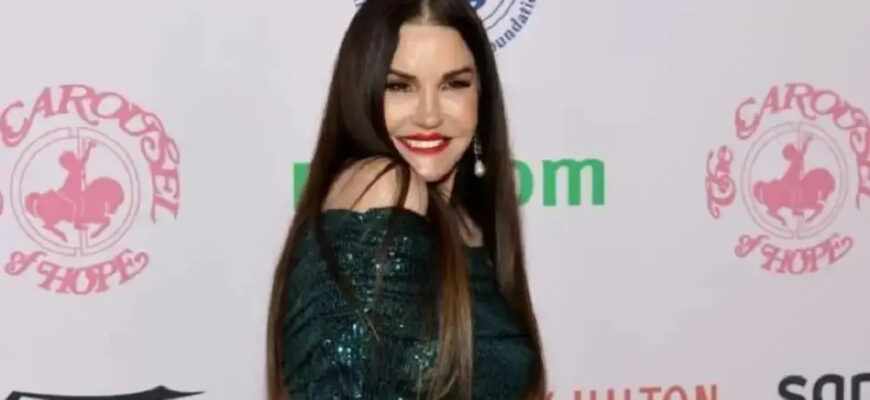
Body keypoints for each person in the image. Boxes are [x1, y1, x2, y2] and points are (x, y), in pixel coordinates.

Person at [265, 0, 547, 398]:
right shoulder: (385, 187)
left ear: (481, 96)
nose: (429, 115)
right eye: (400, 86)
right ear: (362, 92)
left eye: (454, 84)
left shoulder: (469, 224)